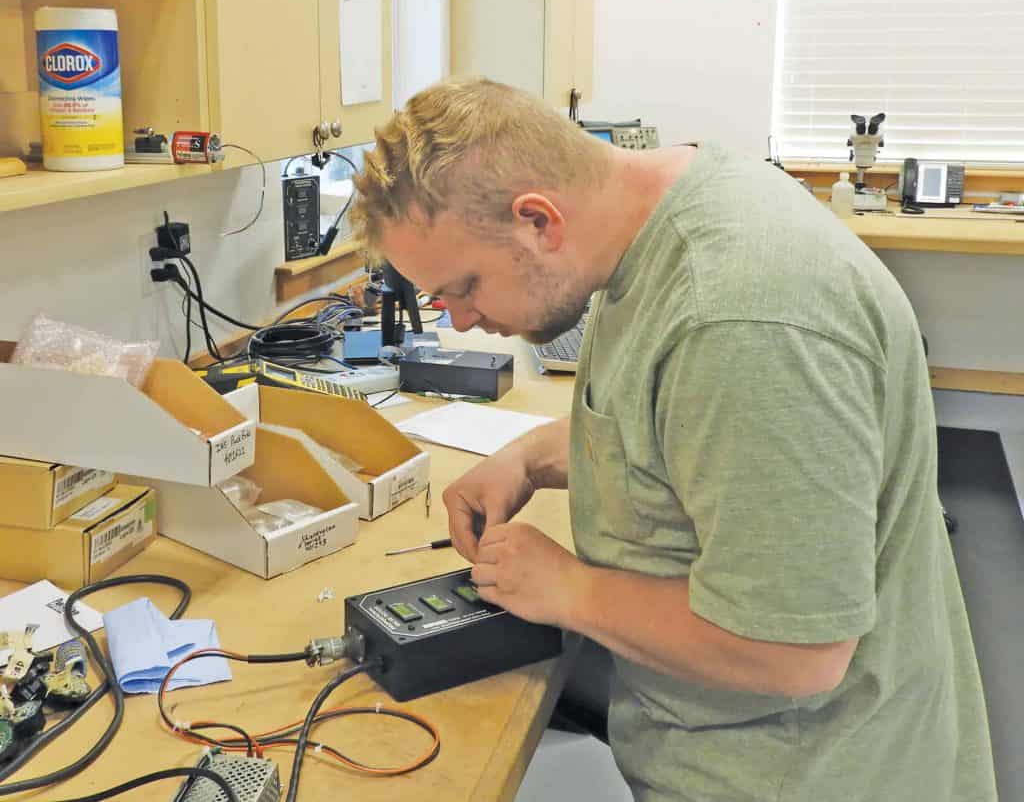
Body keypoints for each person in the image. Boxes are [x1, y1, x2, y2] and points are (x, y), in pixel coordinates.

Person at [350, 77, 996, 802]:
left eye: (464, 287)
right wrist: (528, 457)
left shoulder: (740, 319)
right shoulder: (658, 211)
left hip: (807, 770)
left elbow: (796, 651)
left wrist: (568, 588)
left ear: (538, 220)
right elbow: (675, 430)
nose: (459, 321)